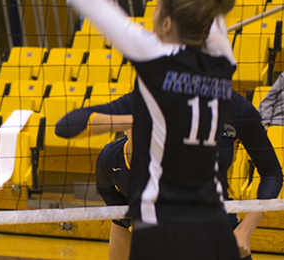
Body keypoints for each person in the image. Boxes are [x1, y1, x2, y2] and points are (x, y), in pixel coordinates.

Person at [66, 0, 240, 260]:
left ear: (165, 25)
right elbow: (211, 11)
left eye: (155, 13)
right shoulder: (221, 59)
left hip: (164, 228)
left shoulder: (156, 59)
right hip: (214, 225)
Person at [56, 90, 283, 259]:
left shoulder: (235, 106)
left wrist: (245, 230)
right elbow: (65, 126)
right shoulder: (146, 98)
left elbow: (272, 172)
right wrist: (135, 119)